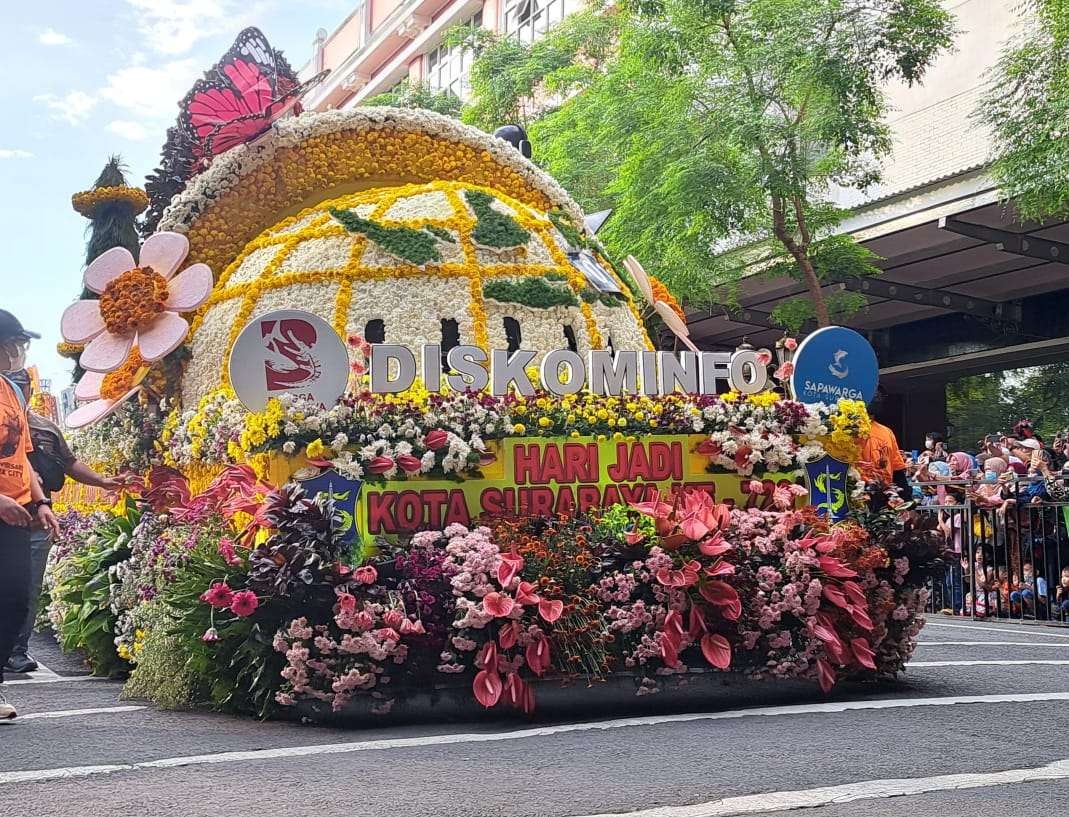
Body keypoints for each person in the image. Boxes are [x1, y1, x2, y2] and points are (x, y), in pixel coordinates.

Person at [3, 369, 124, 674]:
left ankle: (17, 649)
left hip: (33, 520)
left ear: (28, 390)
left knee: (25, 589)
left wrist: (102, 481)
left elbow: (69, 463)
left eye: (21, 385)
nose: (16, 390)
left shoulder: (45, 428)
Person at [0, 310, 59, 721]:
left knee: (15, 601)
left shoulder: (12, 392)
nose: (18, 352)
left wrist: (40, 504)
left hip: (16, 515)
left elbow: (21, 457)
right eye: (13, 344)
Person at [861, 387, 909, 504]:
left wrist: (906, 495)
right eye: (874, 395)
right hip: (859, 494)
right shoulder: (848, 430)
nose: (877, 399)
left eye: (879, 396)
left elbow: (897, 468)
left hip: (885, 495)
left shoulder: (887, 432)